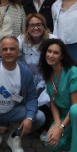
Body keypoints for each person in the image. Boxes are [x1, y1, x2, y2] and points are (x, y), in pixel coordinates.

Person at [18, 13, 57, 141]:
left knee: (48, 97)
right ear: (27, 28)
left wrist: (41, 86)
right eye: (32, 25)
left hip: (49, 78)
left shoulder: (53, 40)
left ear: (44, 26)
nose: (35, 28)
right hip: (29, 80)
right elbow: (11, 50)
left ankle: (46, 127)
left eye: (38, 25)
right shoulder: (21, 40)